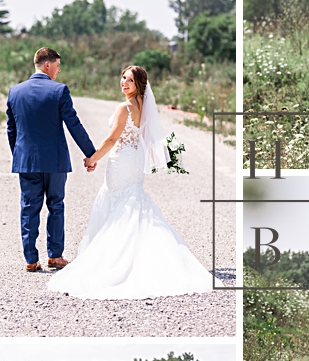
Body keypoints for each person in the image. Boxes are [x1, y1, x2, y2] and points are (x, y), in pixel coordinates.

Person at [45, 65, 214, 298]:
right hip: (135, 159)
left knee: (118, 201)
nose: (124, 83)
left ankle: (115, 258)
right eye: (123, 78)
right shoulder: (144, 107)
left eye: (130, 81)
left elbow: (113, 137)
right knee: (133, 200)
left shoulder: (124, 107)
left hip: (122, 161)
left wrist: (93, 158)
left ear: (138, 85)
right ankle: (138, 254)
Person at [6, 48, 97, 273]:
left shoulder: (15, 92)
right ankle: (55, 256)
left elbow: (11, 129)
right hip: (55, 161)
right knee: (56, 205)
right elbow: (73, 124)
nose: (58, 70)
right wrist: (90, 153)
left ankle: (30, 259)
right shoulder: (59, 91)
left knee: (29, 207)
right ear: (47, 65)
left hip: (26, 161)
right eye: (57, 65)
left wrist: (18, 155)